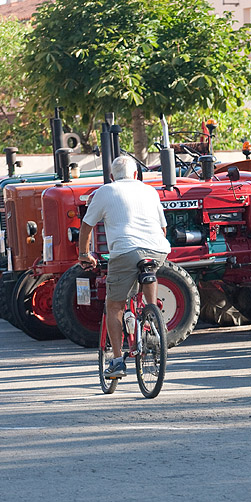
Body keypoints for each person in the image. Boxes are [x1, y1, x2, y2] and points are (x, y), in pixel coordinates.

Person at [78, 155, 171, 379]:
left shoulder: (105, 191)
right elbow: (163, 229)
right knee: (148, 271)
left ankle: (118, 361)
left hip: (125, 251)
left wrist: (84, 254)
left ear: (112, 176)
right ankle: (152, 316)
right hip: (158, 249)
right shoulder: (150, 191)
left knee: (114, 306)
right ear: (136, 175)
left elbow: (86, 226)